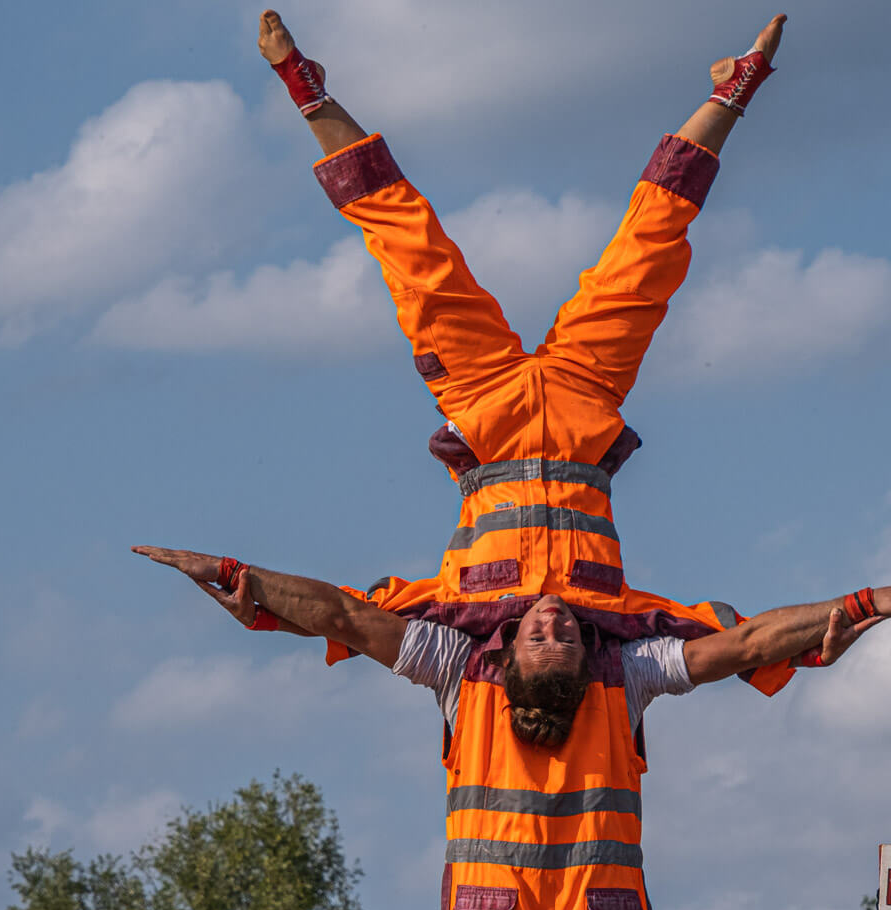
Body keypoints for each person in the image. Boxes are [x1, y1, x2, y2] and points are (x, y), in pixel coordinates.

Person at [253, 9, 807, 696]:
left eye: (538, 645)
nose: (552, 632)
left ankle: (307, 90)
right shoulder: (619, 622)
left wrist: (246, 596)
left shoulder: (450, 618)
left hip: (482, 401)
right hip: (585, 397)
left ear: (506, 656)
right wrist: (826, 636)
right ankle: (733, 90)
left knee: (413, 252)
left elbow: (337, 613)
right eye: (563, 647)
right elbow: (742, 639)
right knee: (649, 250)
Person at [131, 543, 891, 910]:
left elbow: (743, 645)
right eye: (545, 627)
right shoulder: (490, 671)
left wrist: (860, 604)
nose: (552, 615)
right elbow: (342, 616)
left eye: (556, 630)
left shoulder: (587, 673)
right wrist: (244, 580)